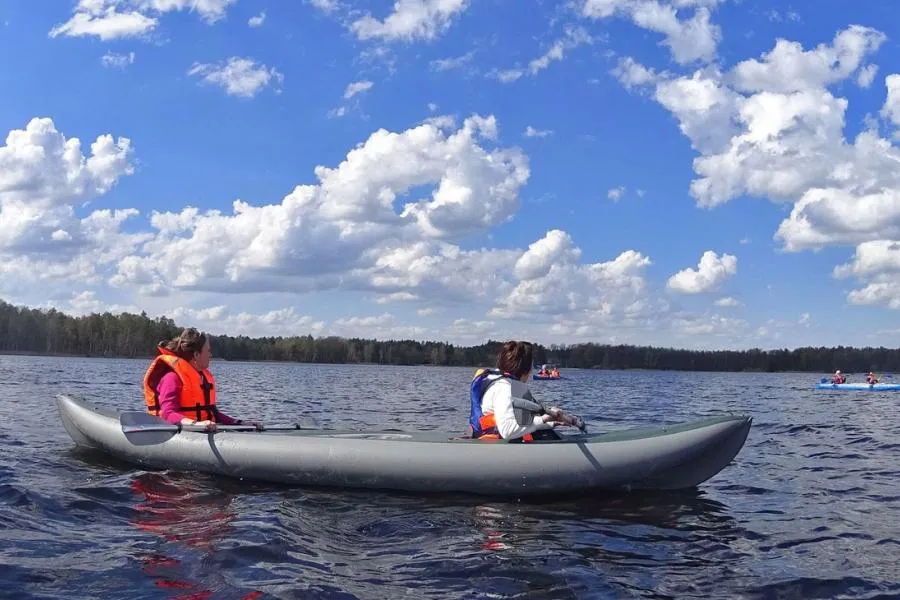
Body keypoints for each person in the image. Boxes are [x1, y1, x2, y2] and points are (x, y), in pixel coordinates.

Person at [142, 328, 262, 432]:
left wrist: (240, 423)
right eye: (207, 350)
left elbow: (213, 414)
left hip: (200, 429)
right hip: (179, 433)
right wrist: (196, 424)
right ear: (196, 354)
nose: (210, 355)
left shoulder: (202, 378)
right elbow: (168, 414)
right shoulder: (171, 378)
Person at [469, 340, 579, 443]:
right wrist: (545, 418)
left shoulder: (502, 383)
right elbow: (508, 430)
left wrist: (552, 422)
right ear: (525, 369)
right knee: (547, 436)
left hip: (497, 438)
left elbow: (524, 423)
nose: (531, 371)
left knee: (547, 431)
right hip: (497, 443)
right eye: (530, 366)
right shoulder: (504, 388)